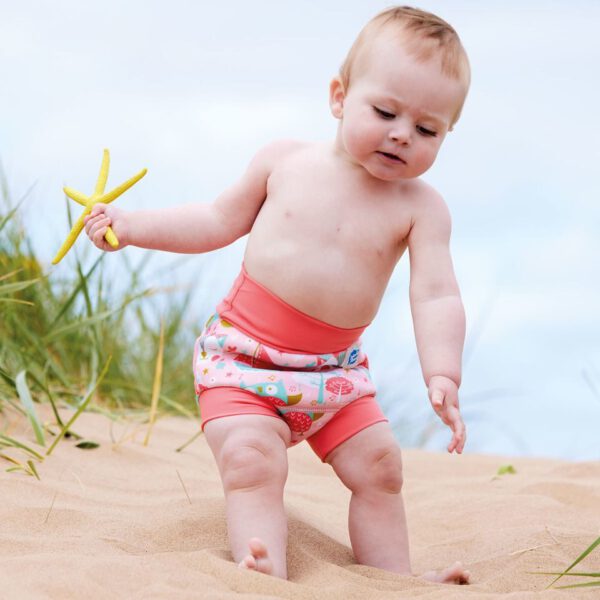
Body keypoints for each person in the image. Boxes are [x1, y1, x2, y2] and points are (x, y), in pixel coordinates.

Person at [84, 6, 471, 584]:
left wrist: (443, 373)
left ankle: (394, 581)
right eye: (386, 112)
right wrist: (131, 226)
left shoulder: (422, 208)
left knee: (381, 467)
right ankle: (261, 570)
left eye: (427, 130)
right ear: (339, 97)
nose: (401, 134)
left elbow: (436, 294)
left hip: (335, 375)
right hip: (243, 361)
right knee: (251, 460)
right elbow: (215, 220)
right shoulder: (284, 162)